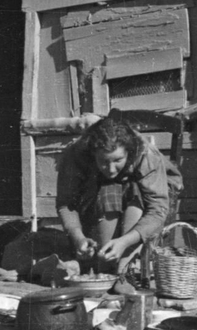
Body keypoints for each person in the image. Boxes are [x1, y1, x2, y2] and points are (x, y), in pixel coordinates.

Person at [56, 112, 180, 271]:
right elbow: (66, 204)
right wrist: (78, 238)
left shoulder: (146, 155)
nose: (111, 169)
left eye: (118, 160)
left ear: (128, 152)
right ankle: (106, 261)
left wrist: (125, 242)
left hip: (151, 195)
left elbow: (157, 209)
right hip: (97, 197)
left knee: (132, 191)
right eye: (103, 161)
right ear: (93, 153)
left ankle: (125, 266)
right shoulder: (75, 154)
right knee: (110, 189)